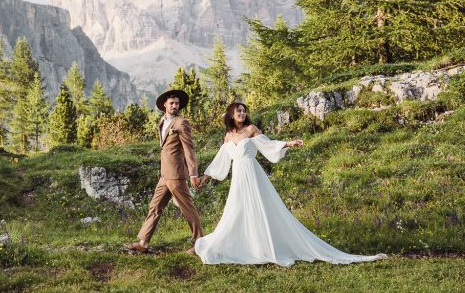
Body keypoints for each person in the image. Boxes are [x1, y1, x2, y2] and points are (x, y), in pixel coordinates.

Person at [193, 102, 387, 266]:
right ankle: (244, 244)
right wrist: (204, 177)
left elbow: (268, 144)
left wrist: (288, 143)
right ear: (231, 115)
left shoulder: (251, 130)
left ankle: (267, 245)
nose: (242, 114)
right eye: (239, 111)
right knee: (237, 210)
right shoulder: (228, 136)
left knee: (261, 208)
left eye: (244, 111)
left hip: (252, 173)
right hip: (238, 177)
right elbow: (220, 161)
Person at [125, 89, 204, 254]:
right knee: (154, 207)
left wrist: (193, 173)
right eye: (172, 103)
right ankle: (143, 243)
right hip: (164, 175)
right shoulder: (162, 121)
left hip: (176, 175)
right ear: (164, 105)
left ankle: (200, 245)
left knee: (187, 209)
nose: (175, 106)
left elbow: (189, 149)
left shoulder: (182, 123)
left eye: (177, 103)